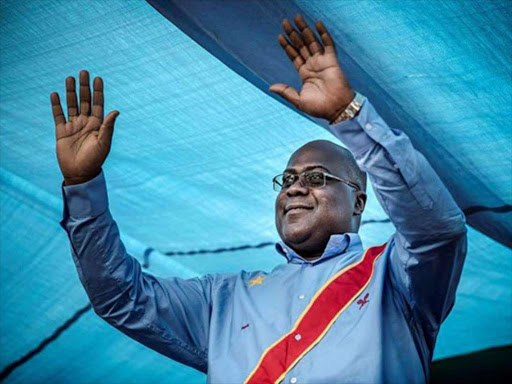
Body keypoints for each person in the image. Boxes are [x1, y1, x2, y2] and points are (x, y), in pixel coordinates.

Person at [52, 15, 467, 384]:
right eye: (287, 180)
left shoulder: (396, 277)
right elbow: (120, 298)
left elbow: (436, 230)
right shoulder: (224, 299)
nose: (294, 188)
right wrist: (82, 182)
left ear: (358, 202)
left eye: (316, 178)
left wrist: (348, 116)